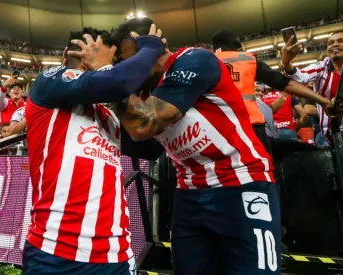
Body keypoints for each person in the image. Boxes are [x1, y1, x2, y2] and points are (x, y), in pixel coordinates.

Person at [99, 17, 280, 275]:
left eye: (129, 62)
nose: (125, 71)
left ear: (154, 51)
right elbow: (147, 146)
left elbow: (145, 124)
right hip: (190, 193)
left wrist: (108, 74)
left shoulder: (195, 59)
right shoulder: (143, 93)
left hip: (242, 183)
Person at [23, 26, 165, 275]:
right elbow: (116, 81)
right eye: (95, 53)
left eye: (107, 58)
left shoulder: (109, 111)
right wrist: (151, 47)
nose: (97, 62)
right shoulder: (49, 82)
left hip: (117, 253)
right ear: (69, 53)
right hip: (55, 252)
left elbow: (152, 148)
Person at [211, 30, 330, 152]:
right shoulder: (246, 60)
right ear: (234, 46)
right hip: (250, 126)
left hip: (213, 128)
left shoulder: (200, 63)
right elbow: (286, 84)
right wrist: (323, 101)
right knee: (262, 165)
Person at [280, 30, 343, 147]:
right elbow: (299, 78)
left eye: (342, 41)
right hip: (326, 137)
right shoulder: (321, 66)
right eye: (330, 43)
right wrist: (286, 62)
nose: (334, 44)